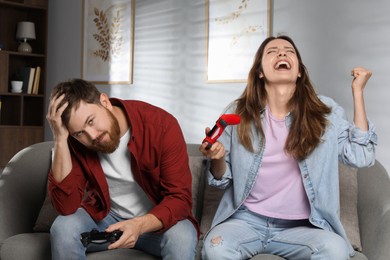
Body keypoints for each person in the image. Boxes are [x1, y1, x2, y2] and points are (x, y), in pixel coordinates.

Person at [199, 35, 377, 260]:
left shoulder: (325, 112)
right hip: (245, 222)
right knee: (215, 248)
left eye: (289, 51)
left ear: (299, 71)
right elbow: (220, 179)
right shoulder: (238, 112)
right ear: (260, 72)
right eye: (272, 51)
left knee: (336, 250)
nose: (282, 53)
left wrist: (358, 93)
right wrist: (218, 156)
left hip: (301, 229)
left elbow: (362, 156)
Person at [46, 79, 198, 260]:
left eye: (91, 121)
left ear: (105, 102)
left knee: (182, 238)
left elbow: (180, 199)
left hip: (157, 224)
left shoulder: (161, 126)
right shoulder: (75, 142)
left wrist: (139, 225)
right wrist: (60, 139)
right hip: (107, 219)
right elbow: (66, 206)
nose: (92, 136)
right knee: (63, 228)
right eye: (80, 133)